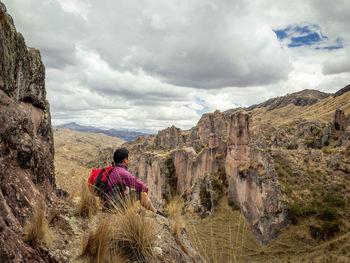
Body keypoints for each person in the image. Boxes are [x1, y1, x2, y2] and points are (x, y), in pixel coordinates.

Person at [106, 147, 167, 217]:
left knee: (131, 193)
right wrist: (145, 193)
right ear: (125, 160)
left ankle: (149, 211)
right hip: (115, 207)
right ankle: (156, 212)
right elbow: (143, 186)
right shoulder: (122, 172)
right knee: (141, 193)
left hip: (108, 204)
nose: (129, 160)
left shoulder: (113, 169)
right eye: (128, 158)